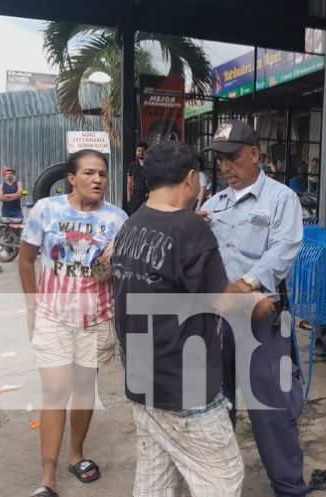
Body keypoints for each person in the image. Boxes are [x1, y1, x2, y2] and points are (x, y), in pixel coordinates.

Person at [111, 141, 262, 497]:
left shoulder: (132, 225)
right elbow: (223, 301)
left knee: (155, 481)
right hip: (184, 386)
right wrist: (255, 301)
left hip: (142, 379)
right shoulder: (192, 231)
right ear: (191, 179)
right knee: (222, 480)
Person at [200, 120, 309, 497]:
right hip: (220, 322)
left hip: (263, 322)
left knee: (273, 411)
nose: (226, 168)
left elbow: (284, 250)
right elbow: (205, 260)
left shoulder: (281, 199)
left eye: (233, 158)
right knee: (217, 406)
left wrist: (246, 286)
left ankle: (289, 488)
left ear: (254, 154)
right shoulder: (212, 206)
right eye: (221, 161)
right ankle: (219, 485)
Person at [19, 149, 127, 497]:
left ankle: (76, 455)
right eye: (90, 173)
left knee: (83, 390)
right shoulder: (46, 211)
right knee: (54, 392)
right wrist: (32, 305)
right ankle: (46, 478)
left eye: (103, 174)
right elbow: (25, 260)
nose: (98, 180)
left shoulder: (118, 219)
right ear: (71, 178)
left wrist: (111, 264)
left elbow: (116, 273)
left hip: (95, 320)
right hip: (53, 317)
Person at [127, 141, 149, 214]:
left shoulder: (151, 166)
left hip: (148, 199)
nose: (141, 152)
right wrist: (129, 200)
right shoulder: (132, 166)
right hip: (135, 200)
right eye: (139, 150)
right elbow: (129, 185)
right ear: (136, 152)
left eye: (143, 151)